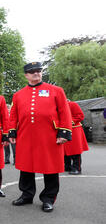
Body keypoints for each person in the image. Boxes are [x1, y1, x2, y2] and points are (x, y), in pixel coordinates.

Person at [9, 62, 72, 212]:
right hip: (25, 136)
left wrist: (64, 132)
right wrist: (12, 131)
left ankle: (48, 199)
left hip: (49, 136)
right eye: (32, 72)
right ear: (26, 75)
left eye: (38, 70)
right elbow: (13, 115)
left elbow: (64, 112)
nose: (36, 73)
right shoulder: (18, 95)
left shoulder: (56, 90)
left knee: (50, 168)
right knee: (26, 167)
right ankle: (26, 195)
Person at [64, 100, 89, 175]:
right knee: (65, 150)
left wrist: (68, 122)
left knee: (75, 150)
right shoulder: (57, 106)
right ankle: (67, 166)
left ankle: (76, 168)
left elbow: (80, 116)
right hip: (62, 129)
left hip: (74, 129)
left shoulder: (72, 104)